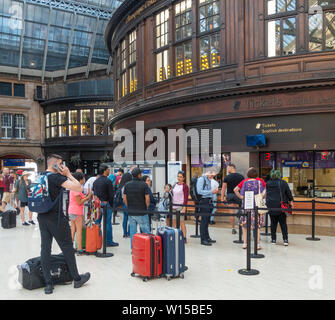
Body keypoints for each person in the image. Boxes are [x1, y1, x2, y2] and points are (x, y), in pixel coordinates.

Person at [37, 154, 90, 294]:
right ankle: (77, 279)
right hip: (56, 218)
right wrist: (68, 174)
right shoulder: (56, 177)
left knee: (45, 249)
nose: (62, 166)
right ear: (55, 165)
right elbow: (78, 188)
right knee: (67, 247)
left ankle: (48, 284)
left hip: (42, 217)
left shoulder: (40, 176)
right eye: (61, 164)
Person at [234, 167, 265, 250]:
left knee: (245, 226)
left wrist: (241, 197)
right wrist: (260, 196)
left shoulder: (245, 182)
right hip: (256, 207)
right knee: (257, 226)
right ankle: (258, 244)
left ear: (248, 174)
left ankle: (245, 243)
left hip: (247, 206)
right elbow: (263, 192)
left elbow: (236, 190)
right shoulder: (259, 182)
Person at [123, 168, 151, 249]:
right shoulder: (144, 185)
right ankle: (148, 249)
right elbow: (147, 198)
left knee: (133, 233)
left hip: (131, 212)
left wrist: (129, 206)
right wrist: (146, 207)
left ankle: (134, 249)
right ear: (139, 175)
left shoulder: (127, 185)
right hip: (142, 212)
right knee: (146, 232)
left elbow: (124, 198)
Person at [265, 169, 293, 246]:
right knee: (283, 223)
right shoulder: (283, 183)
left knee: (273, 223)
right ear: (279, 175)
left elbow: (266, 194)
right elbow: (288, 193)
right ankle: (285, 240)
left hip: (271, 206)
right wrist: (291, 201)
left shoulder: (268, 183)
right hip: (281, 206)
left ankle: (273, 239)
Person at [92, 164, 118, 247]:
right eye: (108, 169)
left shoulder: (96, 181)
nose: (109, 171)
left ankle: (96, 239)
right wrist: (111, 203)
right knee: (107, 223)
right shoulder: (108, 181)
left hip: (97, 204)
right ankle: (108, 241)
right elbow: (111, 195)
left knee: (97, 222)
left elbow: (94, 192)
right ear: (104, 171)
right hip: (106, 203)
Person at [68, 172, 92, 255]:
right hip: (77, 212)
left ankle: (70, 248)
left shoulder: (73, 187)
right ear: (80, 179)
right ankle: (79, 249)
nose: (84, 180)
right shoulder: (76, 188)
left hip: (71, 211)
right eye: (83, 178)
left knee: (73, 229)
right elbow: (79, 202)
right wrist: (88, 197)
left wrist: (86, 196)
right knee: (79, 231)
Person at [197, 168, 219, 246]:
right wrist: (211, 191)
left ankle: (207, 237)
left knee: (207, 221)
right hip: (204, 201)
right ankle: (203, 239)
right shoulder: (201, 179)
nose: (213, 175)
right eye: (212, 173)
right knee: (204, 221)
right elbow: (199, 191)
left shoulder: (208, 179)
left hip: (209, 201)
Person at [221, 164, 244, 234]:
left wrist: (222, 198)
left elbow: (223, 189)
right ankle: (241, 227)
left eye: (228, 168)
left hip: (230, 195)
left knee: (231, 213)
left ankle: (233, 228)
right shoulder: (241, 176)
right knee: (241, 212)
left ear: (232, 168)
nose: (227, 170)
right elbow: (243, 188)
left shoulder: (227, 177)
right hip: (238, 195)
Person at [167, 171, 189, 243]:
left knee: (181, 222)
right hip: (173, 206)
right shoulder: (175, 185)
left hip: (180, 206)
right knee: (174, 222)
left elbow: (186, 197)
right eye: (178, 176)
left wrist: (184, 207)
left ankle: (184, 237)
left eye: (180, 177)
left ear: (184, 178)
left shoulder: (185, 186)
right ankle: (176, 236)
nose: (179, 178)